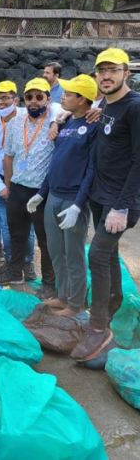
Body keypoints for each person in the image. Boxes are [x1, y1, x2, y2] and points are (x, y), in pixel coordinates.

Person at [72, 49, 140, 361]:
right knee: (108, 256)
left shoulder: (135, 107)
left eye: (113, 70)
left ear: (127, 73)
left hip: (121, 200)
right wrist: (62, 120)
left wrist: (123, 206)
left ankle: (98, 326)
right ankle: (109, 310)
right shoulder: (105, 104)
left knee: (97, 255)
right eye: (101, 71)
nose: (106, 76)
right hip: (100, 194)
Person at [28, 75, 98, 317]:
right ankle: (63, 295)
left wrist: (79, 205)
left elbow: (91, 169)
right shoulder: (65, 122)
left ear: (82, 99)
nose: (63, 97)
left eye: (68, 94)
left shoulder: (93, 126)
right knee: (56, 250)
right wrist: (41, 193)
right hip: (53, 196)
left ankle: (76, 304)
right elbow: (55, 163)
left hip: (72, 200)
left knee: (74, 254)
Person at [0, 78, 62, 293]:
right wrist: (8, 186)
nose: (33, 101)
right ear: (23, 99)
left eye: (39, 97)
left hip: (42, 192)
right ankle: (15, 272)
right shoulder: (16, 122)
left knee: (45, 239)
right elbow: (8, 157)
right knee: (17, 234)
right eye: (29, 97)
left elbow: (67, 108)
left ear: (48, 99)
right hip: (17, 188)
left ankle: (48, 283)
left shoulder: (56, 122)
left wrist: (55, 119)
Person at [0, 82, 38, 280]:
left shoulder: (29, 118)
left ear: (16, 100)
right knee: (7, 228)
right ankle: (11, 264)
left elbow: (57, 110)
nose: (0, 102)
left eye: (5, 98)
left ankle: (28, 263)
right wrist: (0, 186)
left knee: (28, 228)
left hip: (25, 183)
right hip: (2, 182)